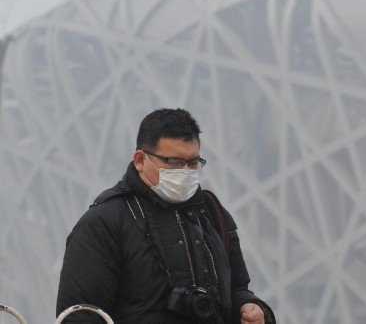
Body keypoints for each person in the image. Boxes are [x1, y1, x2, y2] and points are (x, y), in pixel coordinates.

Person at [56, 108, 276, 324]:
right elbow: (80, 316)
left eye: (193, 163)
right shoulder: (104, 222)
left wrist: (250, 307)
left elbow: (237, 288)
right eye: (174, 163)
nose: (185, 172)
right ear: (140, 160)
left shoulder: (212, 213)